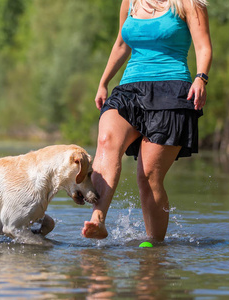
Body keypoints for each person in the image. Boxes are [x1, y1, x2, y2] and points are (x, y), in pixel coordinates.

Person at [82, 0, 212, 241]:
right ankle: (97, 219)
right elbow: (121, 43)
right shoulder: (130, 2)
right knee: (107, 139)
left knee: (148, 176)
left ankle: (154, 246)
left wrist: (201, 78)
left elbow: (203, 46)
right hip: (129, 89)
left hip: (172, 91)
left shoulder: (189, 3)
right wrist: (103, 81)